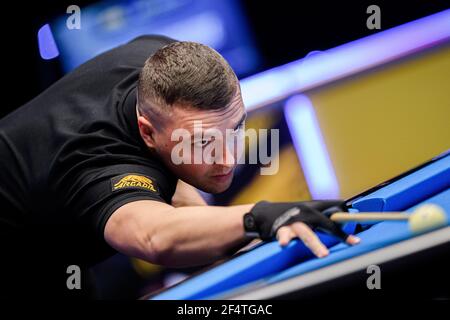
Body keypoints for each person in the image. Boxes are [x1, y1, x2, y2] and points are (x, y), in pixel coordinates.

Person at [0, 35, 359, 298]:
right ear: (147, 132)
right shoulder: (95, 158)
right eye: (202, 143)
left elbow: (180, 196)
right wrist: (258, 217)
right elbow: (154, 235)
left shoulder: (166, 64)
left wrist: (236, 243)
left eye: (235, 130)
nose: (228, 158)